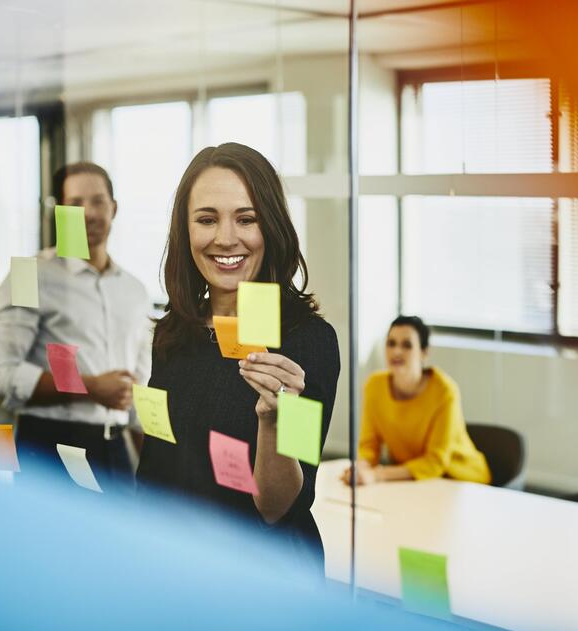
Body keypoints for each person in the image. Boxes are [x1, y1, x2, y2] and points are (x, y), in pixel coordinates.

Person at [136, 143, 339, 572]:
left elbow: (280, 507)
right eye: (207, 219)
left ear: (273, 228)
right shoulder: (174, 332)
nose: (226, 238)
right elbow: (157, 470)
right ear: (185, 230)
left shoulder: (307, 343)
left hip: (261, 579)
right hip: (176, 571)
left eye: (246, 219)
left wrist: (274, 419)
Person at [0, 162, 152, 493]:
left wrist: (154, 470)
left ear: (113, 208)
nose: (88, 213)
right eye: (75, 204)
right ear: (58, 212)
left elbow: (138, 392)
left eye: (98, 201)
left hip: (116, 449)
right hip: (49, 446)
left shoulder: (135, 291)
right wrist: (90, 387)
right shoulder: (30, 275)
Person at [343, 315, 490, 486]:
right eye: (391, 343)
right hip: (412, 482)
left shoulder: (445, 391)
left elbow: (435, 461)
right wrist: (360, 468)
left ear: (424, 352)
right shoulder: (374, 386)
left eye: (407, 345)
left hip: (461, 481)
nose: (396, 351)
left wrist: (377, 475)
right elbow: (369, 446)